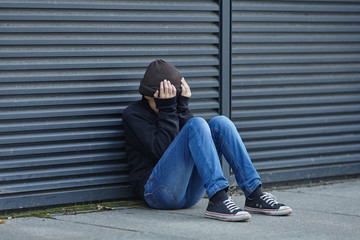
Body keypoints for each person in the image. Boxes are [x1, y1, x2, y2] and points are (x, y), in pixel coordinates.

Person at [122, 59, 292, 222]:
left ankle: (254, 194)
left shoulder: (172, 110)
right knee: (196, 124)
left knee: (220, 122)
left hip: (189, 195)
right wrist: (168, 109)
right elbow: (162, 151)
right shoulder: (133, 115)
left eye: (171, 99)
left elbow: (195, 142)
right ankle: (218, 198)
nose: (166, 104)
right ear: (148, 96)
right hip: (158, 194)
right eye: (161, 100)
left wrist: (181, 108)